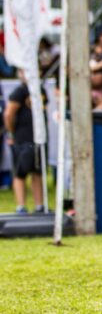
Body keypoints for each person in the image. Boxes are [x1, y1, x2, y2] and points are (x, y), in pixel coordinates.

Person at [4, 71, 47, 214]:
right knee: (20, 172)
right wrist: (12, 133)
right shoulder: (19, 92)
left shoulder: (40, 90)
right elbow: (9, 114)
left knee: (37, 171)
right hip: (23, 138)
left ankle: (39, 205)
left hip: (39, 137)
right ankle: (21, 206)